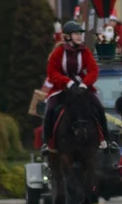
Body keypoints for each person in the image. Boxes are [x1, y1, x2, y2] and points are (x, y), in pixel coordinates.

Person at [42, 20, 109, 154]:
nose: (80, 36)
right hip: (61, 87)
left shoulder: (85, 52)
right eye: (76, 34)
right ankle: (48, 144)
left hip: (81, 86)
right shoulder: (58, 52)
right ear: (67, 36)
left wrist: (85, 84)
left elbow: (93, 70)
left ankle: (105, 139)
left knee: (99, 107)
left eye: (80, 34)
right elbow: (52, 72)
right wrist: (67, 82)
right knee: (49, 110)